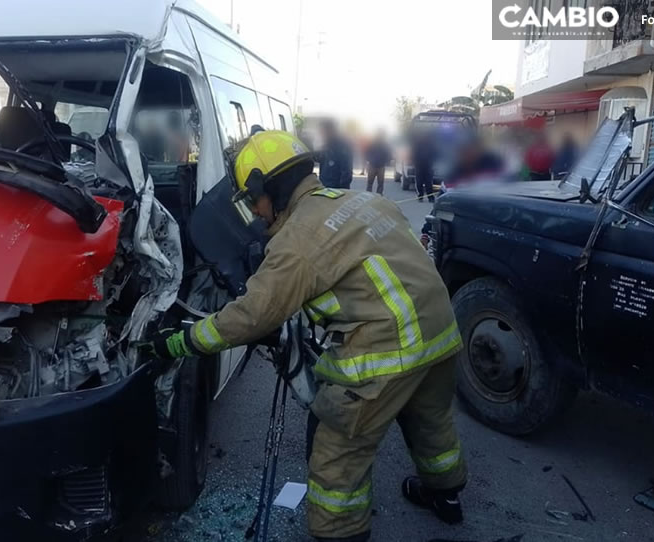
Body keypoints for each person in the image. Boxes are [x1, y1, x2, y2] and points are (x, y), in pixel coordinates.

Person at [146, 130, 468, 542]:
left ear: (269, 188)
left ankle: (340, 533)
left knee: (338, 454)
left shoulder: (297, 240)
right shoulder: (364, 201)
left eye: (253, 201)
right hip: (440, 333)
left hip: (386, 355)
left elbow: (250, 317)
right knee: (431, 421)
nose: (257, 215)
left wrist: (183, 341)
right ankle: (446, 496)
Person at [317, 119, 353, 189]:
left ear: (331, 130)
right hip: (324, 187)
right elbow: (320, 161)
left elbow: (347, 173)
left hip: (337, 190)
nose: (322, 134)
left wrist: (342, 190)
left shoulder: (343, 146)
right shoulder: (325, 145)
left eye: (324, 131)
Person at [411, 128, 436, 202]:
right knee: (419, 182)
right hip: (419, 166)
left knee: (429, 183)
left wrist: (432, 161)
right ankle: (420, 196)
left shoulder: (431, 144)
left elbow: (435, 154)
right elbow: (413, 154)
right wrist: (415, 162)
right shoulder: (417, 144)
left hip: (428, 166)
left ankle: (430, 197)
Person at [364, 130, 392, 196]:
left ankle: (379, 196)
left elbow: (389, 154)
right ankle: (368, 195)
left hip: (381, 166)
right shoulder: (372, 143)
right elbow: (366, 153)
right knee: (370, 182)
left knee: (380, 182)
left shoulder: (386, 144)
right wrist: (370, 160)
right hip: (372, 165)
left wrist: (386, 161)